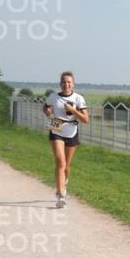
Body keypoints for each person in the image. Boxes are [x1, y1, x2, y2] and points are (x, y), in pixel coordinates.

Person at [44, 71, 89, 208]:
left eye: (69, 82)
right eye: (64, 82)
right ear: (60, 83)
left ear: (73, 84)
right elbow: (46, 106)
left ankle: (65, 180)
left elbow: (86, 120)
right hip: (56, 127)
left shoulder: (78, 98)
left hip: (71, 130)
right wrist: (47, 111)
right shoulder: (53, 97)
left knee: (67, 167)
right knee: (60, 162)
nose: (66, 84)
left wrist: (73, 110)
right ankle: (60, 194)